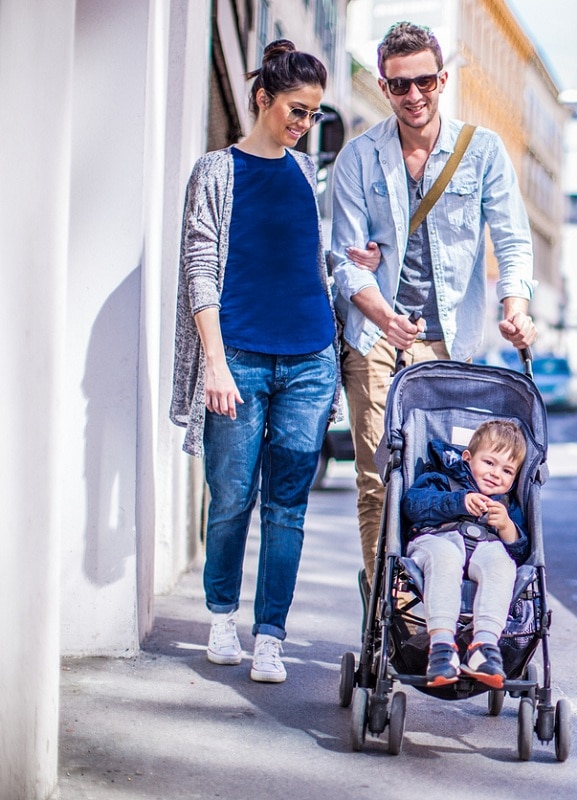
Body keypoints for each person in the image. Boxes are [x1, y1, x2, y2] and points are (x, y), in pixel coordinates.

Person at [170, 40, 359, 683]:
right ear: (262, 99)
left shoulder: (307, 175)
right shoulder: (216, 171)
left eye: (312, 114)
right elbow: (200, 267)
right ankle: (222, 614)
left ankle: (271, 632)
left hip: (309, 357)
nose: (303, 124)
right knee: (230, 498)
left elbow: (305, 263)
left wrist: (349, 267)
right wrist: (214, 364)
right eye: (295, 110)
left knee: (288, 505)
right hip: (240, 358)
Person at [330, 21, 538, 580]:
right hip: (376, 338)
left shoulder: (482, 151)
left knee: (437, 477)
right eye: (399, 85)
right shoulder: (359, 158)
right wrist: (383, 316)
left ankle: (432, 597)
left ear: (442, 79)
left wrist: (515, 307)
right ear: (383, 86)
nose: (413, 95)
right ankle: (389, 610)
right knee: (377, 477)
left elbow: (513, 240)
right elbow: (345, 261)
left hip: (450, 342)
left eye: (424, 81)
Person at [401, 420, 530, 688]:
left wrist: (506, 526)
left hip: (485, 548)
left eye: (507, 470)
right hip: (436, 540)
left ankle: (484, 645)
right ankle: (442, 646)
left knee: (503, 564)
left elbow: (520, 553)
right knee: (445, 557)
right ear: (467, 458)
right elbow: (413, 505)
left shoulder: (507, 505)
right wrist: (457, 502)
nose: (496, 474)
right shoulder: (442, 479)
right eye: (489, 463)